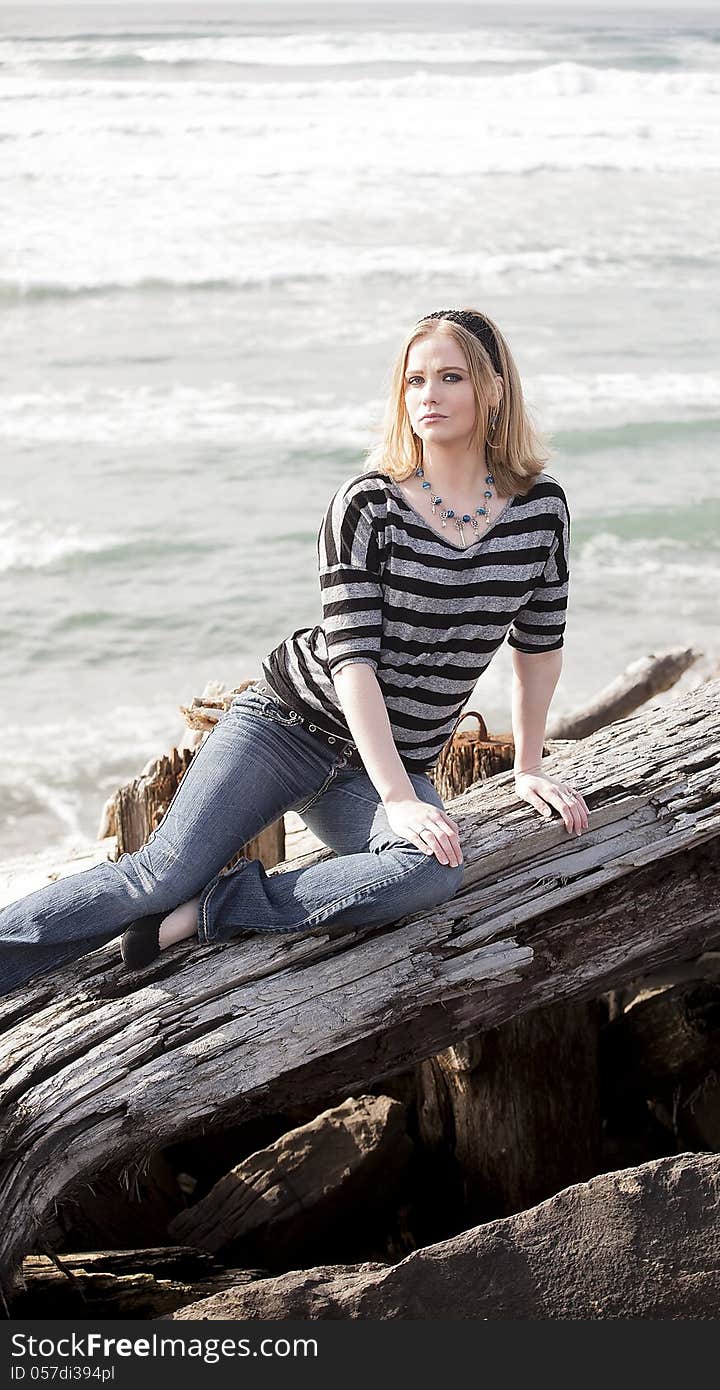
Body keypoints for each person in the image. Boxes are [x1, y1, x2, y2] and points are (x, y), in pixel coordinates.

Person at [0, 307, 589, 998]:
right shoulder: (367, 505)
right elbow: (353, 664)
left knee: (430, 870)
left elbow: (539, 645)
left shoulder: (539, 511)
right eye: (415, 380)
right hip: (284, 729)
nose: (428, 395)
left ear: (493, 389)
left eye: (451, 377)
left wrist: (526, 766)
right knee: (159, 872)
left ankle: (205, 916)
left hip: (381, 766)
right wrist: (400, 798)